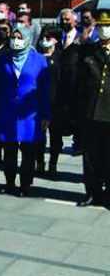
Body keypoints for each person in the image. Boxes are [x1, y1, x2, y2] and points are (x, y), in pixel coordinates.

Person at [0, 24, 50, 197]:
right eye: (13, 37)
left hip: (30, 113)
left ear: (28, 39)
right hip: (7, 111)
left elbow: (45, 89)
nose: (16, 41)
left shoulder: (39, 60)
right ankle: (9, 183)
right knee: (9, 150)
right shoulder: (3, 59)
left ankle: (25, 185)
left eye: (20, 38)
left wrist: (46, 114)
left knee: (28, 151)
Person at [74, 10, 110, 207]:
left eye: (108, 26)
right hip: (91, 111)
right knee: (90, 157)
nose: (105, 29)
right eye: (102, 26)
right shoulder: (89, 51)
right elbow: (80, 83)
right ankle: (92, 193)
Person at [39, 26, 78, 177]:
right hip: (38, 103)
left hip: (56, 104)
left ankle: (53, 165)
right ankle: (39, 163)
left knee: (55, 138)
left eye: (48, 38)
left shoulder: (61, 58)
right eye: (43, 37)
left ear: (56, 40)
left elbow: (65, 81)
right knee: (39, 138)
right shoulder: (36, 57)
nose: (45, 41)